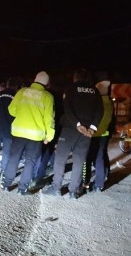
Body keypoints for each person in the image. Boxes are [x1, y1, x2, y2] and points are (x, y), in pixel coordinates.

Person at [43, 69, 103, 199]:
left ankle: (56, 188)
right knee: (79, 161)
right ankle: (73, 192)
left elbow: (67, 108)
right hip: (86, 132)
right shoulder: (95, 90)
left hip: (70, 129)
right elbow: (100, 110)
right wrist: (92, 128)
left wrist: (77, 124)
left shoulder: (71, 88)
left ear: (75, 78)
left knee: (60, 160)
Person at [1, 71, 56, 195]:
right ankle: (22, 188)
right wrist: (49, 136)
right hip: (36, 136)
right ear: (47, 83)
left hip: (19, 133)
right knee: (30, 162)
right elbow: (49, 119)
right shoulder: (48, 96)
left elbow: (11, 110)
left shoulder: (22, 92)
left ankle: (6, 184)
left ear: (35, 79)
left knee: (14, 158)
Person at [0, 77, 22, 179]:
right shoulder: (17, 97)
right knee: (7, 151)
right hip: (10, 129)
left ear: (7, 85)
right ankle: (3, 171)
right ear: (16, 87)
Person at [85, 73, 116, 192]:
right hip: (104, 134)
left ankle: (86, 183)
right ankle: (99, 184)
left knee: (88, 159)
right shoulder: (109, 102)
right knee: (100, 158)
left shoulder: (97, 102)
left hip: (94, 134)